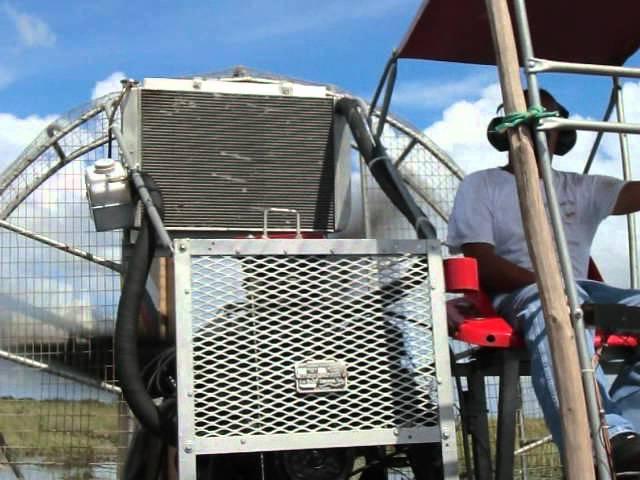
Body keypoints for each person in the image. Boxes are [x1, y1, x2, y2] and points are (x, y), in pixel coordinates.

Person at [447, 88, 640, 473]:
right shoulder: (481, 185)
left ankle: (631, 432)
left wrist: (567, 288)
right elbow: (482, 262)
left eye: (544, 124)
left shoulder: (581, 187)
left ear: (560, 134)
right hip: (518, 294)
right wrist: (553, 285)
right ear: (505, 132)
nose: (535, 132)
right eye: (525, 123)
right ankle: (603, 436)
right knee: (550, 303)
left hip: (580, 291)